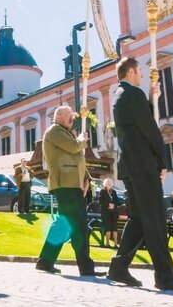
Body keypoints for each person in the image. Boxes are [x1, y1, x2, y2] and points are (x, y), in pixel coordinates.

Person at [106, 57, 173, 293]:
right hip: (143, 166)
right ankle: (165, 276)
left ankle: (118, 267)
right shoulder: (131, 94)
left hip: (129, 165)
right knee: (155, 218)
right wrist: (163, 160)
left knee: (137, 219)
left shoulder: (120, 95)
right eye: (140, 72)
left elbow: (137, 123)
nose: (143, 75)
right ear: (132, 71)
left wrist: (150, 98)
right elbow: (149, 129)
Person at [35, 106, 101, 276]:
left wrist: (86, 179)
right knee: (79, 226)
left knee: (65, 224)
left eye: (73, 117)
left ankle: (46, 261)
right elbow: (73, 148)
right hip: (66, 184)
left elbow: (77, 158)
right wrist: (81, 139)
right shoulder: (54, 131)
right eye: (70, 117)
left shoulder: (63, 132)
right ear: (58, 116)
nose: (73, 120)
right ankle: (85, 267)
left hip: (72, 184)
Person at [99, 178, 120, 248]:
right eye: (108, 184)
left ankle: (116, 244)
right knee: (108, 227)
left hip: (114, 212)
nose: (109, 185)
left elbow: (117, 201)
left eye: (110, 184)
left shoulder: (114, 192)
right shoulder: (102, 191)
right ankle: (107, 243)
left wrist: (113, 205)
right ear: (105, 184)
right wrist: (108, 204)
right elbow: (101, 201)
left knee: (114, 228)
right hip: (106, 212)